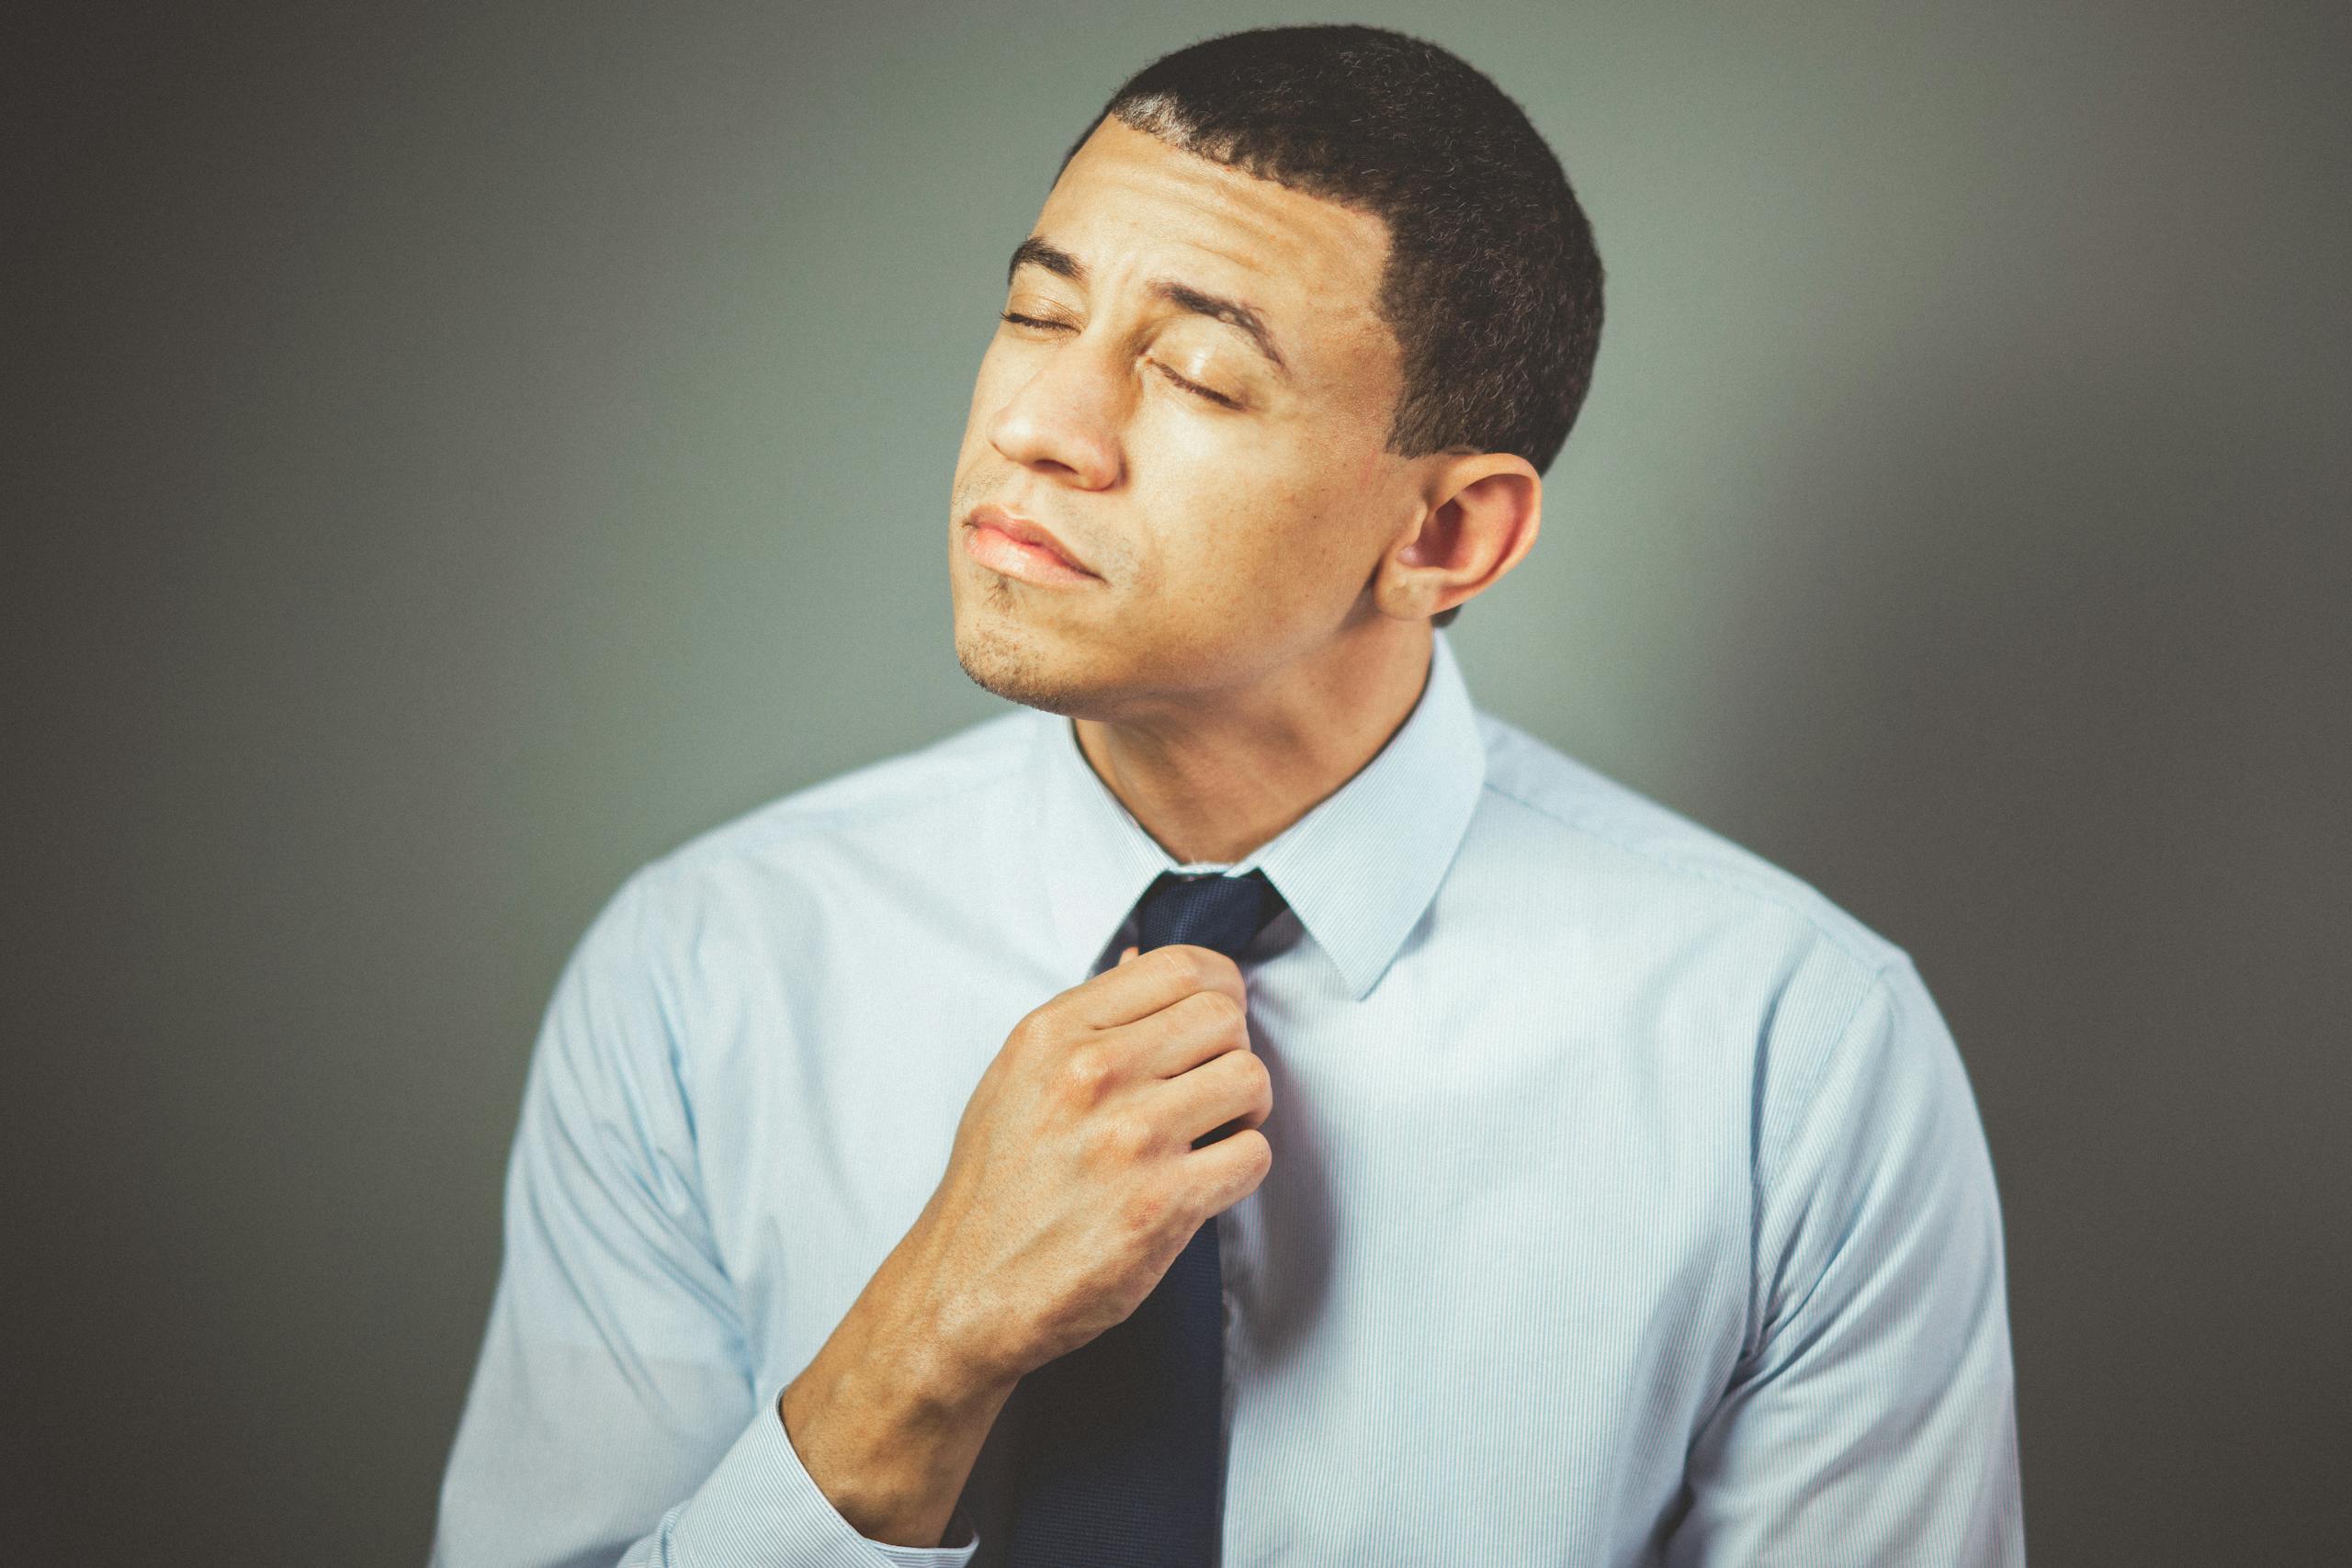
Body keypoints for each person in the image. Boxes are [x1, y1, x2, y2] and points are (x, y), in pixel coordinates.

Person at [431, 23, 2024, 1567]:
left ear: (1448, 536)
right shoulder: (704, 973)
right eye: (1037, 316)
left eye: (1194, 372)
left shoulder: (1793, 1062)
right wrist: (908, 1362)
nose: (1037, 428)